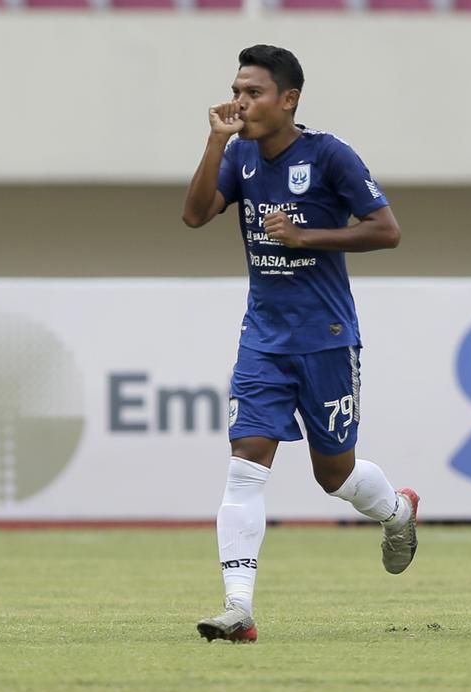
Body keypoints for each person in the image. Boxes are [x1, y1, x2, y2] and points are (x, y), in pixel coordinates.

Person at [181, 44, 419, 644]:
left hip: (328, 340)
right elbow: (194, 216)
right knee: (244, 465)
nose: (240, 102)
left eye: (253, 92)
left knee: (333, 475)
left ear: (289, 100)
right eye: (236, 90)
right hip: (262, 339)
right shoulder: (239, 155)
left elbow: (387, 231)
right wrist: (214, 142)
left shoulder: (329, 155)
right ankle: (238, 609)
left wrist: (305, 235)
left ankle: (396, 510)